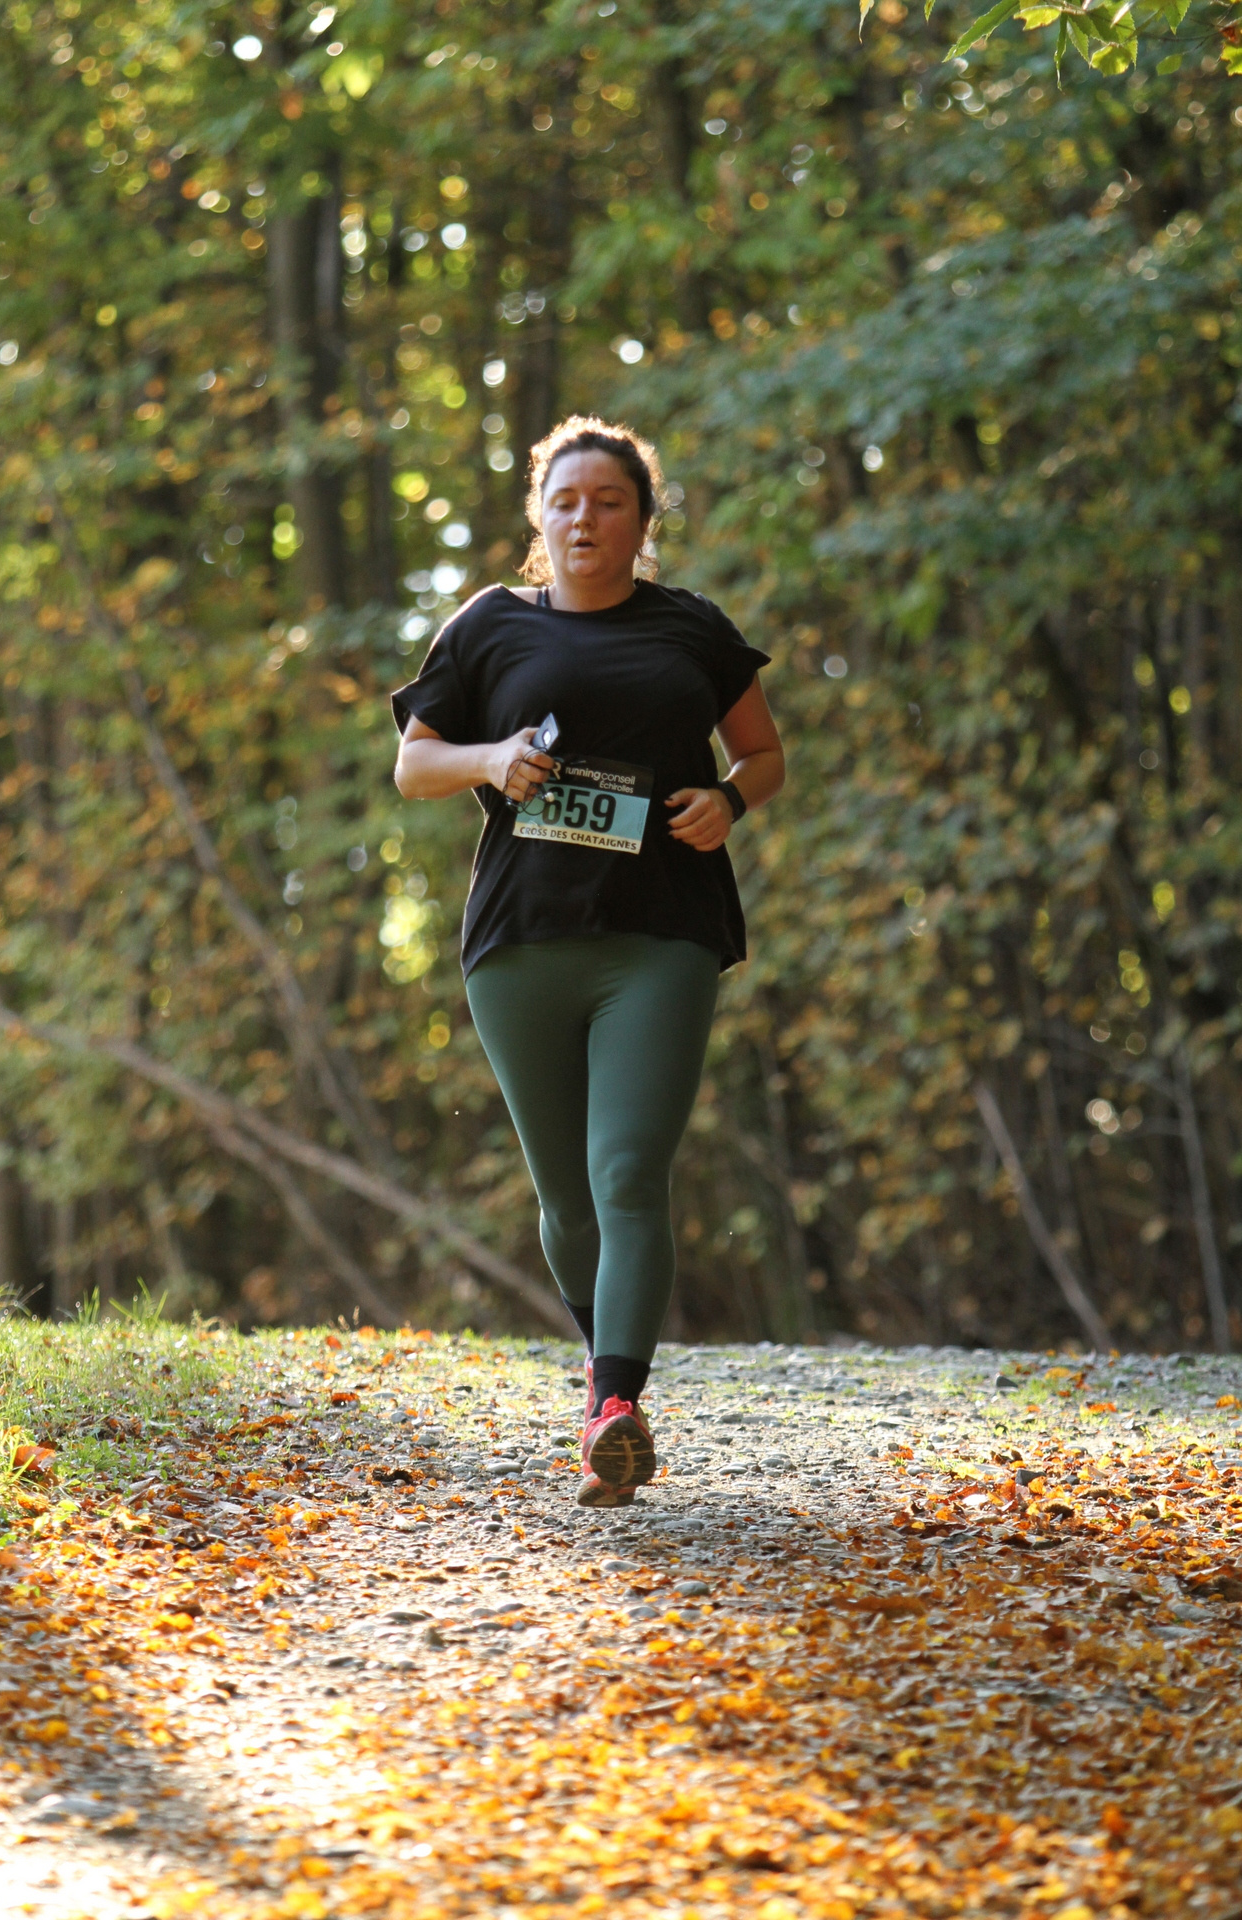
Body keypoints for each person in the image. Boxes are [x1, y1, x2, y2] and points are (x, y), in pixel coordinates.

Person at [392, 415, 784, 1505]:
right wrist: (491, 757)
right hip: (521, 941)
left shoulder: (691, 629)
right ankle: (602, 1374)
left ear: (642, 520)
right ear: (539, 516)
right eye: (565, 502)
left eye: (609, 502)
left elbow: (762, 753)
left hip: (661, 933)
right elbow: (414, 766)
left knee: (627, 1174)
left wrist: (729, 800)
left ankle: (615, 1407)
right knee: (565, 1199)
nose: (585, 520)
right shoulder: (489, 626)